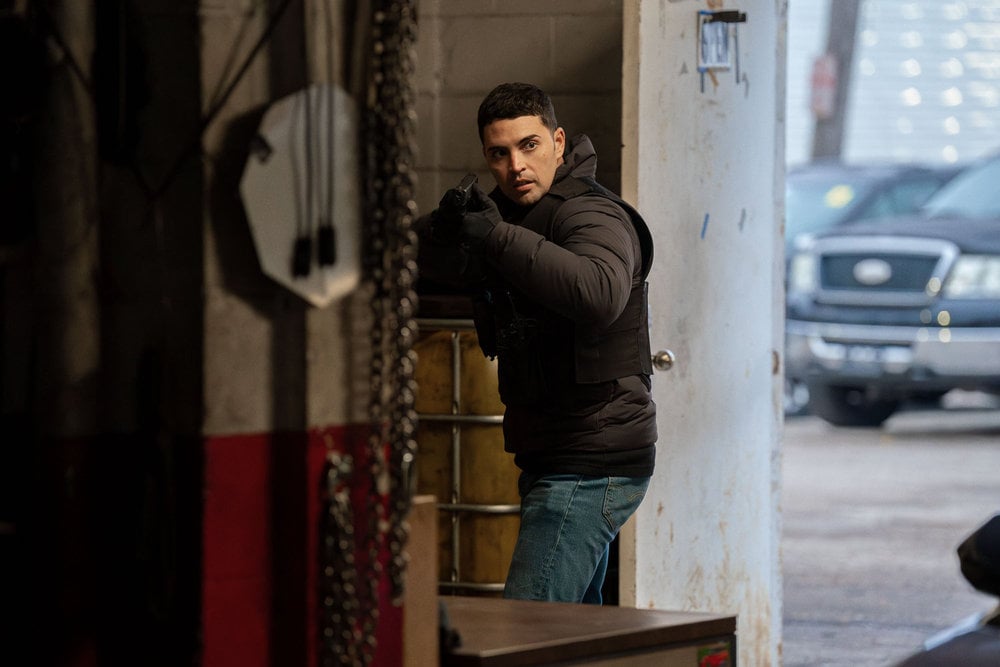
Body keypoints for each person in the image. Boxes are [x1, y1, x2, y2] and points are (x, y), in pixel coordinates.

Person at [417, 82, 657, 604]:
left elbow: (599, 293)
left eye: (529, 146)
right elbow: (424, 268)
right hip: (553, 454)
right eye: (499, 154)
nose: (516, 166)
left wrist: (494, 237)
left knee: (527, 628)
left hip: (590, 461)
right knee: (568, 632)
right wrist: (440, 231)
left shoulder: (590, 213)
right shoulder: (507, 216)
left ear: (558, 142)